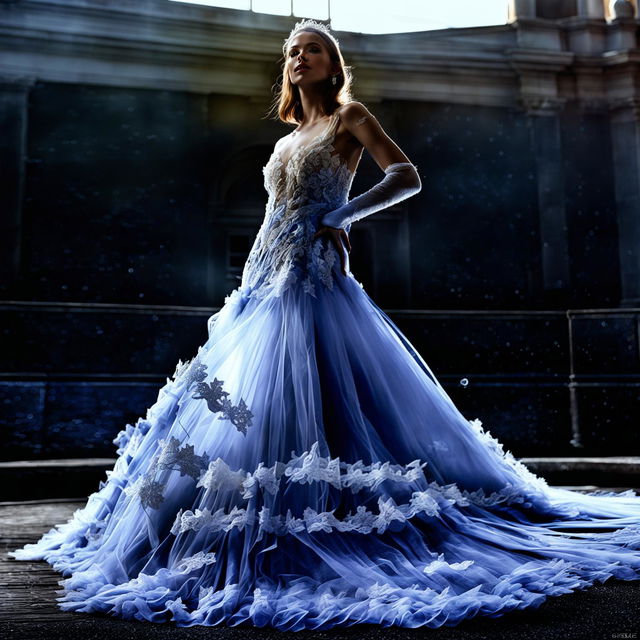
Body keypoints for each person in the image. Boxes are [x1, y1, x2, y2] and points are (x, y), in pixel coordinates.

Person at [8, 18, 640, 632]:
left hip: (313, 276)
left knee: (322, 395)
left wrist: (345, 215)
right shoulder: (285, 141)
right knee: (248, 407)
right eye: (293, 51)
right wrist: (250, 279)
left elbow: (406, 175)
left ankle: (337, 517)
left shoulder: (350, 119)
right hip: (266, 276)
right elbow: (271, 215)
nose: (300, 58)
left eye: (313, 49)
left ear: (333, 64)